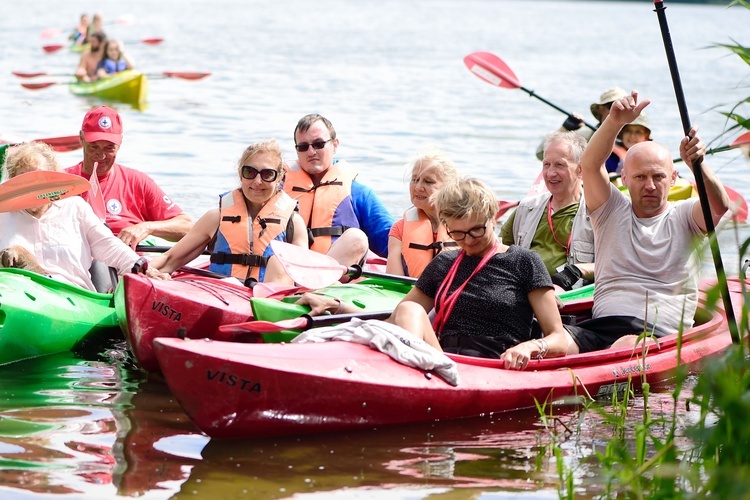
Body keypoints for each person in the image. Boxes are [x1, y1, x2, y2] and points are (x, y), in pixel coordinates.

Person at [304, 178, 576, 370]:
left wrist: (529, 347)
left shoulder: (523, 261)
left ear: (493, 218)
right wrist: (337, 306)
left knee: (412, 312)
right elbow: (395, 318)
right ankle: (405, 375)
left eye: (477, 231)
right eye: (457, 233)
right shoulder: (444, 263)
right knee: (411, 310)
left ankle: (407, 376)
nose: (468, 241)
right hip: (441, 358)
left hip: (494, 362)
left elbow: (558, 338)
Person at [563, 90, 730, 353]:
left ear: (673, 178)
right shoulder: (610, 210)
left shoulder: (685, 215)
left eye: (658, 177)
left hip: (656, 335)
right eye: (640, 178)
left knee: (628, 344)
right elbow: (591, 164)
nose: (650, 186)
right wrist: (615, 121)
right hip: (602, 327)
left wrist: (699, 165)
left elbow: (719, 206)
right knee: (550, 339)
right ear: (625, 179)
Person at [0, 142, 169, 291]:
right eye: (24, 182)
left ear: (52, 180)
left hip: (75, 295)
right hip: (17, 295)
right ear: (13, 184)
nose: (32, 189)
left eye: (38, 180)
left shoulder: (75, 208)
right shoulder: (3, 215)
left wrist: (143, 268)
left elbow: (109, 246)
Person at [148, 139, 308, 285]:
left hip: (267, 302)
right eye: (249, 172)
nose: (257, 182)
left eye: (267, 174)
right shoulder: (215, 218)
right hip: (223, 295)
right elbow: (169, 259)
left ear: (279, 178)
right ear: (240, 174)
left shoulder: (293, 223)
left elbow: (304, 278)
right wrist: (139, 268)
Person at [65, 106, 193, 249]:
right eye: (94, 147)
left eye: (109, 148)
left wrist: (147, 227)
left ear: (120, 144)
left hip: (130, 264)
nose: (101, 156)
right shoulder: (59, 182)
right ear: (81, 139)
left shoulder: (138, 182)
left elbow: (187, 226)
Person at [283, 114, 394, 267]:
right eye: (303, 147)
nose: (310, 152)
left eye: (318, 144)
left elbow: (392, 245)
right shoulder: (279, 192)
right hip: (290, 272)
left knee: (357, 238)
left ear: (334, 145)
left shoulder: (359, 194)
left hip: (335, 279)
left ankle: (316, 284)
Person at [501, 131, 594, 290]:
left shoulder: (597, 213)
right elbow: (499, 250)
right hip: (524, 290)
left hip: (569, 295)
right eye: (546, 165)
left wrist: (576, 271)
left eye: (559, 165)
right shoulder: (525, 208)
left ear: (580, 169)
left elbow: (615, 265)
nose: (551, 173)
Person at [386, 147, 460, 278]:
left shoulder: (466, 228)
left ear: (448, 187)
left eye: (428, 181)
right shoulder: (399, 229)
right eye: (414, 179)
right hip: (410, 295)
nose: (418, 187)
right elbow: (394, 282)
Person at [535, 87, 629, 173]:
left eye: (623, 106)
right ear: (601, 109)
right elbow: (541, 154)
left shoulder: (637, 137)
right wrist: (564, 129)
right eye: (612, 106)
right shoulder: (585, 137)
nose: (617, 110)